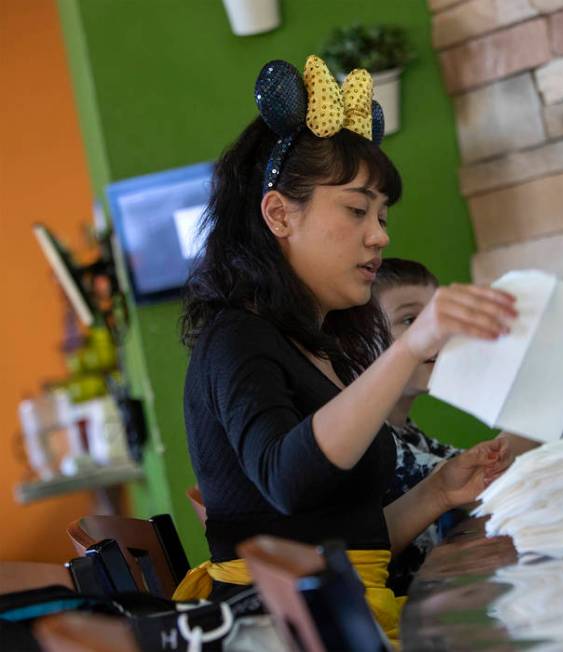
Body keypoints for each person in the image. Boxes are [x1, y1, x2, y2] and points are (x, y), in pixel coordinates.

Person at [175, 56, 516, 644]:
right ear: (279, 213)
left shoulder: (313, 345)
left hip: (351, 616)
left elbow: (343, 537)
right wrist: (408, 347)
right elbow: (288, 477)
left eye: (381, 216)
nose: (380, 235)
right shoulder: (235, 338)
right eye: (357, 210)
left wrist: (439, 492)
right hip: (293, 632)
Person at [374, 258, 538, 595]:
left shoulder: (409, 432)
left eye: (437, 321)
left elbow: (489, 466)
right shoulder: (377, 443)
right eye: (410, 320)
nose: (435, 335)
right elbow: (486, 479)